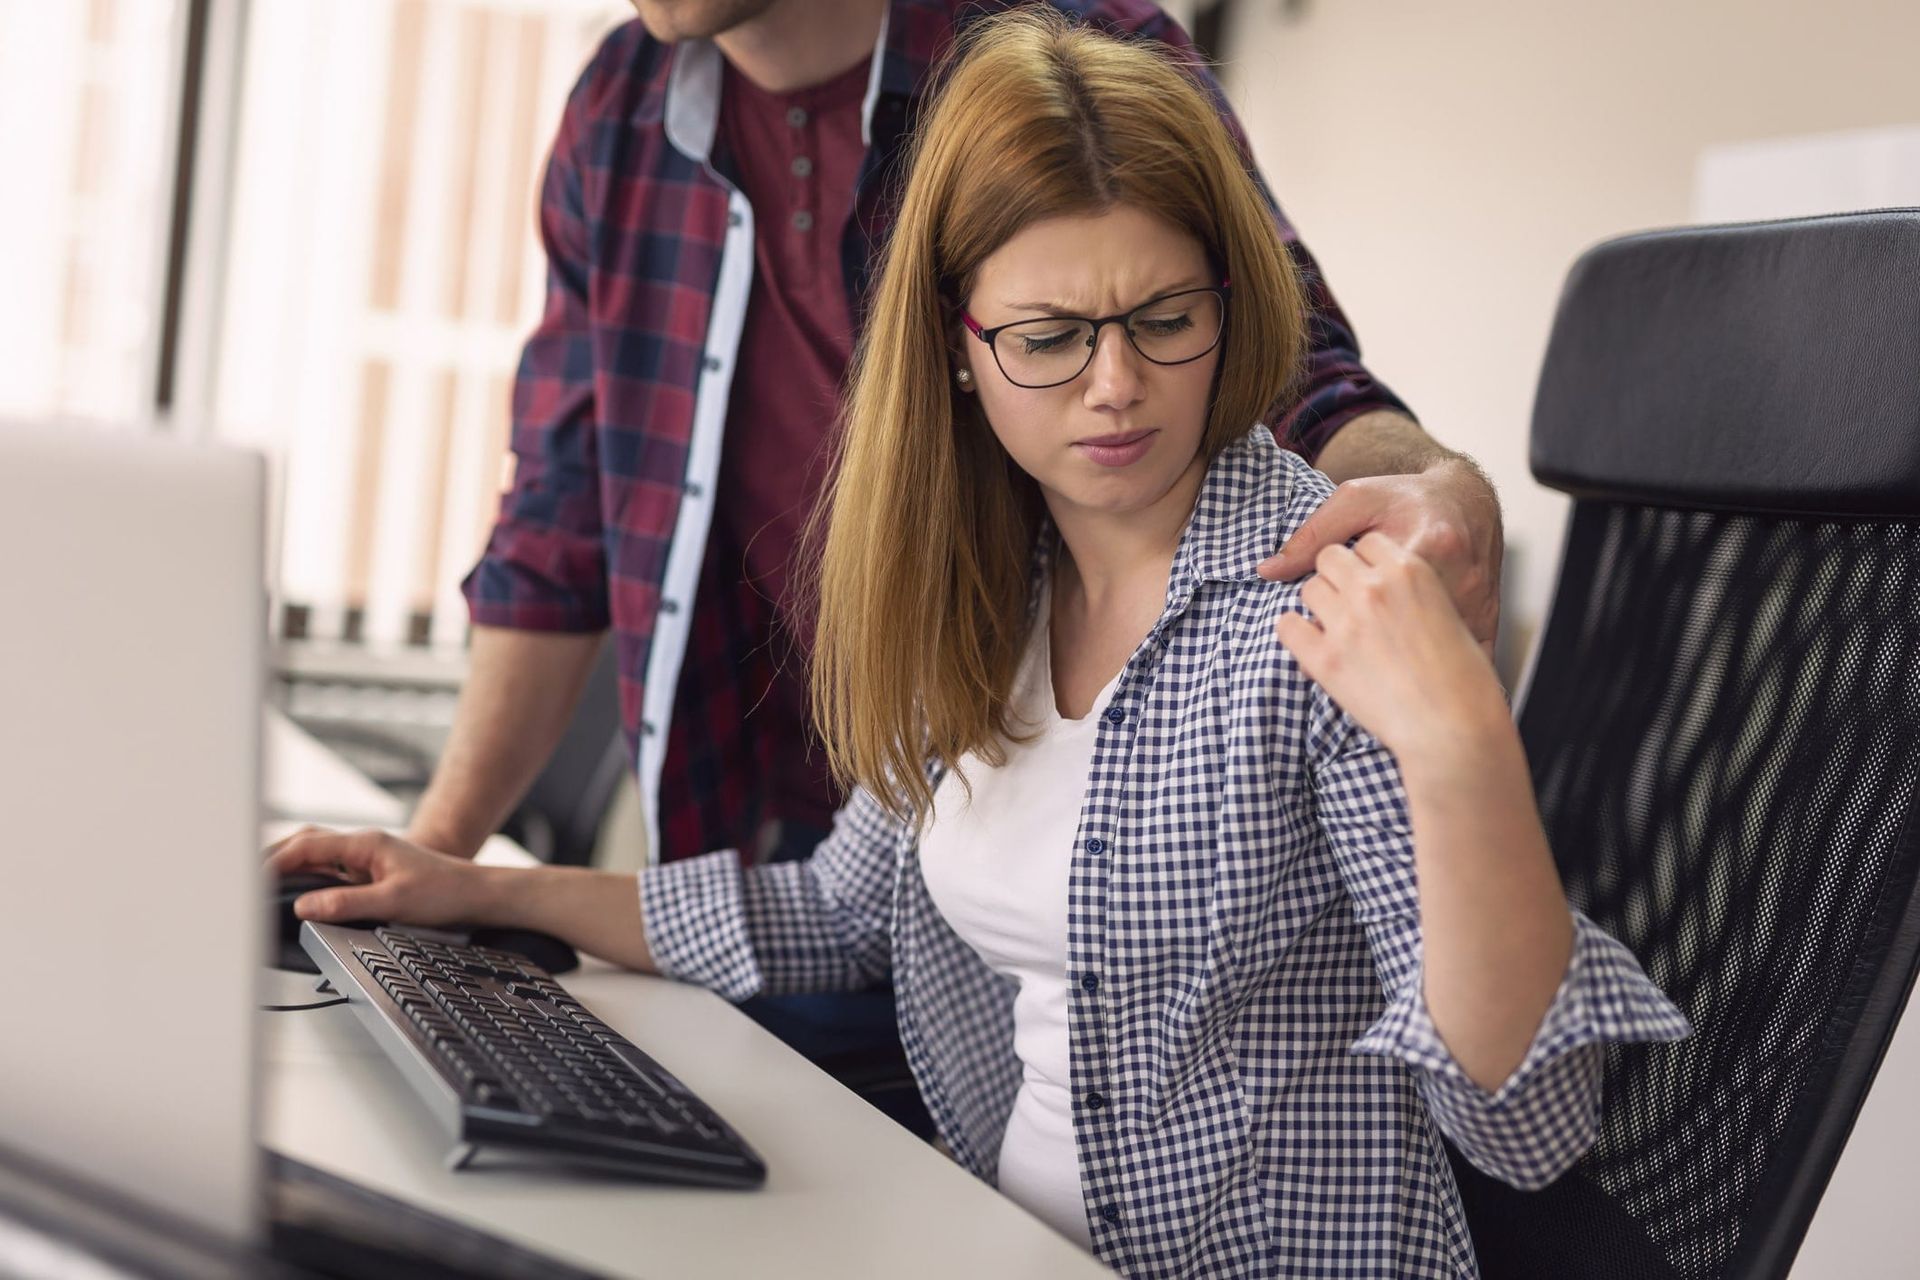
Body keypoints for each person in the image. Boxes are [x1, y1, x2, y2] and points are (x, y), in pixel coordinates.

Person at [273, 12, 1688, 1274]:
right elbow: (835, 912)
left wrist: (1462, 744)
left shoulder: (1320, 613)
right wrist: (472, 889)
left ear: (1230, 303)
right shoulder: (991, 594)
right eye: (1049, 337)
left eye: (1166, 318)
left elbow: (1527, 1130)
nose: (1117, 386)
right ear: (957, 346)